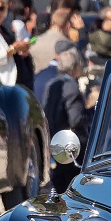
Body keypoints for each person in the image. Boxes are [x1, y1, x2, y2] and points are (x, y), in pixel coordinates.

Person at [43, 49, 91, 191]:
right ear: (75, 66)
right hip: (71, 144)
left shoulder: (51, 84)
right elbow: (76, 119)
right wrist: (93, 111)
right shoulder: (71, 86)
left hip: (55, 139)